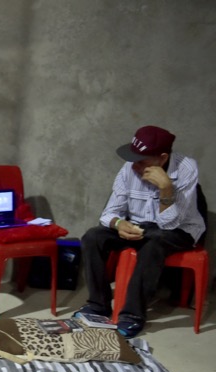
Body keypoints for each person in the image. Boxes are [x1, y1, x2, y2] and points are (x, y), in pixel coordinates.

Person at [77, 125, 205, 338]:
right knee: (93, 237)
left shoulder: (186, 169)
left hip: (180, 229)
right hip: (140, 225)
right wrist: (119, 224)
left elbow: (169, 224)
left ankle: (133, 315)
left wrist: (166, 188)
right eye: (132, 158)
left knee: (153, 243)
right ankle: (98, 305)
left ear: (162, 158)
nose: (134, 165)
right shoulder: (129, 168)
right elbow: (108, 213)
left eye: (142, 161)